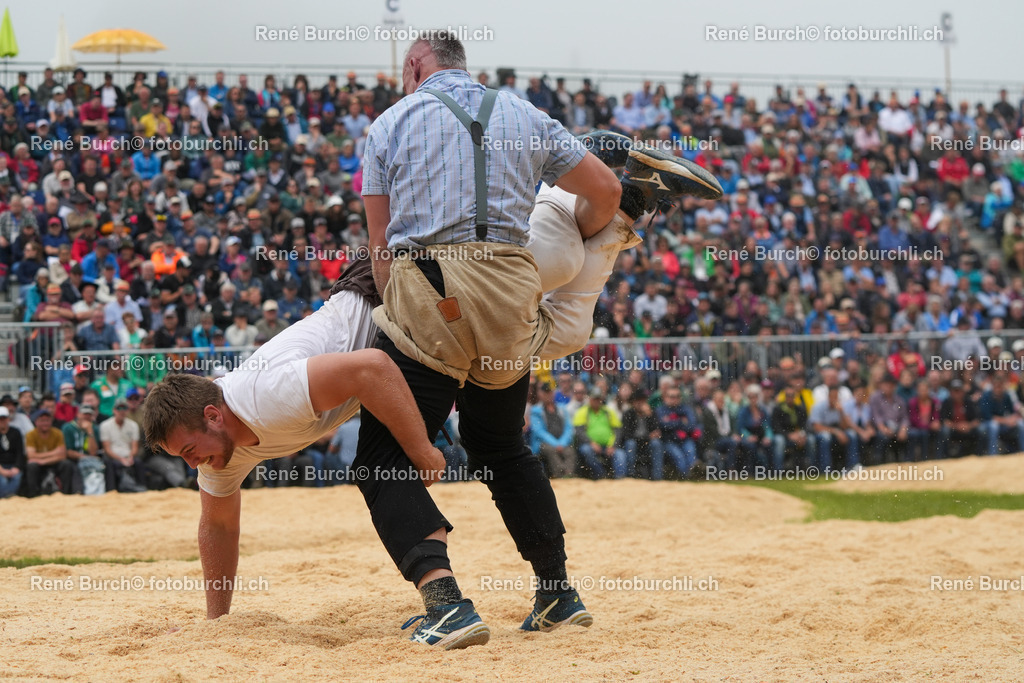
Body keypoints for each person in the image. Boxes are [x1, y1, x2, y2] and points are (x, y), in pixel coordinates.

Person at [356, 31, 721, 648]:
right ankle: (556, 591)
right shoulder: (524, 112)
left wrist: (397, 304)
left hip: (434, 287)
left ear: (417, 66)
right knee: (500, 444)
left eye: (403, 71)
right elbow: (602, 190)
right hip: (512, 287)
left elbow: (381, 246)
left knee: (382, 458)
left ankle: (445, 603)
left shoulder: (389, 124)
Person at [142, 272, 448, 623]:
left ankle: (446, 603)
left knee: (385, 463)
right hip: (391, 319)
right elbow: (218, 527)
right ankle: (451, 599)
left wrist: (423, 451)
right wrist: (217, 623)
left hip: (391, 283)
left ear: (212, 416)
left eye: (189, 451)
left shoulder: (267, 397)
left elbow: (372, 369)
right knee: (487, 443)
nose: (194, 464)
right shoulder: (217, 449)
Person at [573, 387, 627, 479]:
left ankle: (620, 479)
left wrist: (613, 445)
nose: (597, 401)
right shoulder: (582, 412)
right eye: (594, 398)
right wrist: (591, 443)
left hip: (609, 446)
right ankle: (601, 475)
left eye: (598, 399)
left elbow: (618, 430)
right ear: (589, 399)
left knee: (620, 454)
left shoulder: (608, 411)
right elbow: (579, 432)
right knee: (586, 450)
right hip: (590, 445)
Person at [529, 382, 576, 478]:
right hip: (543, 444)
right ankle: (560, 474)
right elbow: (539, 432)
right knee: (550, 450)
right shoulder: (535, 410)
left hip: (561, 442)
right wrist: (556, 444)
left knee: (570, 451)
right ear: (541, 394)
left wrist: (561, 443)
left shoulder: (562, 409)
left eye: (550, 392)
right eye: (546, 392)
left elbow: (568, 428)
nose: (548, 395)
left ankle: (568, 474)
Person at [0, 406, 26, 498]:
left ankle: (9, 498)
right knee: (2, 480)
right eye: (0, 419)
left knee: (17, 477)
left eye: (4, 418)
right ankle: (6, 498)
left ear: (8, 419)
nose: (2, 421)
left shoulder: (16, 432)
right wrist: (2, 470)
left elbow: (20, 453)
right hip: (1, 466)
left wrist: (17, 467)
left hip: (13, 465)